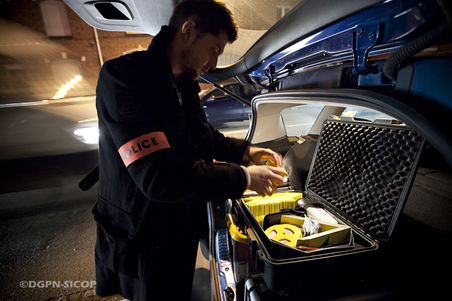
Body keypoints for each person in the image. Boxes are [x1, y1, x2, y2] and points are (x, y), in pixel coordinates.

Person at [93, 0, 285, 300]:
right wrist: (244, 178)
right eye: (214, 49)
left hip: (177, 225)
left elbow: (203, 138)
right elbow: (159, 177)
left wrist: (248, 152)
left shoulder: (182, 82)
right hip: (143, 233)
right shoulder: (124, 79)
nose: (215, 62)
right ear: (188, 30)